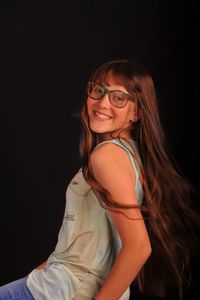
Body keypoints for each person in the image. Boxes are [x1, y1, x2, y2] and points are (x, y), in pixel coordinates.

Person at [0, 59, 199, 300]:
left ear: (137, 112)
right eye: (98, 90)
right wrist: (45, 268)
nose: (103, 102)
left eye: (118, 97)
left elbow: (138, 247)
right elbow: (86, 239)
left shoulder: (106, 155)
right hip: (56, 285)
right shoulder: (130, 154)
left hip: (62, 292)